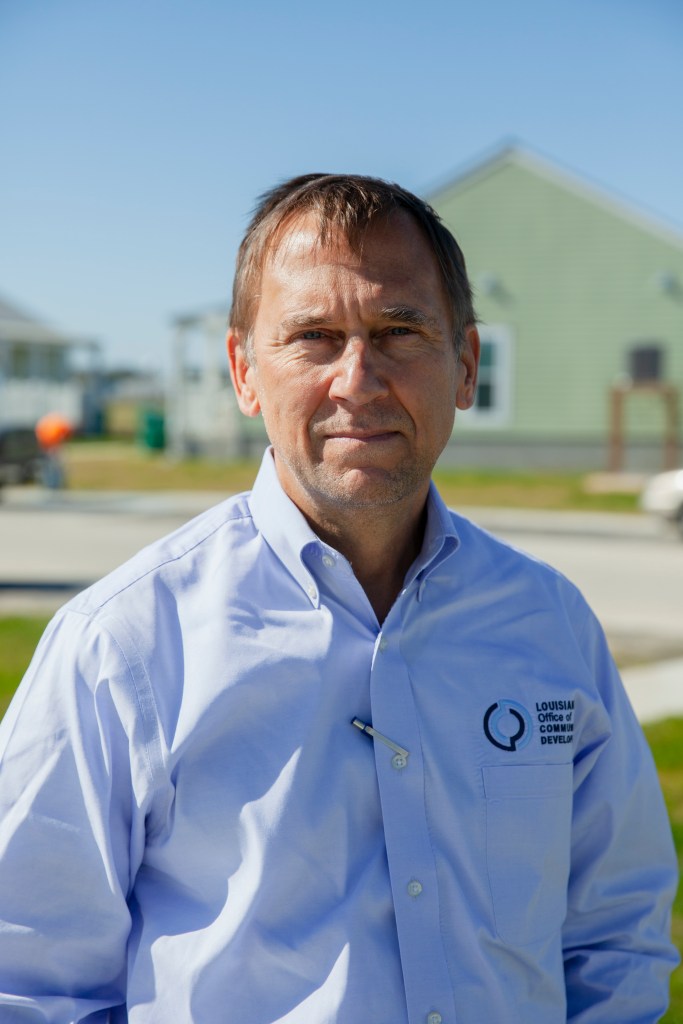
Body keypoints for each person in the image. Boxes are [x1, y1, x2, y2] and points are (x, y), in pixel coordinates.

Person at [0, 174, 678, 1023]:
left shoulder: (547, 624)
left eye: (399, 330)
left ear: (464, 365)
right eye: (314, 337)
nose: (358, 379)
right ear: (245, 373)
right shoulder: (125, 645)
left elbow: (616, 934)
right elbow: (27, 983)